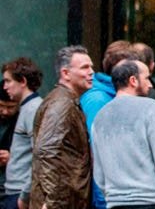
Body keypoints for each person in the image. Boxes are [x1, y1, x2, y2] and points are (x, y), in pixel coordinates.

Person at [90, 60, 155, 209]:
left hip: (116, 202)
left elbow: (98, 171)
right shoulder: (150, 107)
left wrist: (112, 195)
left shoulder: (100, 117)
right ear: (133, 80)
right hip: (150, 200)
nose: (150, 85)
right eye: (147, 78)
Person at [30, 45, 94, 209]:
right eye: (85, 67)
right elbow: (47, 150)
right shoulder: (62, 103)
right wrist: (53, 202)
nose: (91, 72)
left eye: (91, 67)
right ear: (65, 73)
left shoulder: (65, 100)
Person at [80, 41, 138, 209]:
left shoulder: (112, 95)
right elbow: (97, 151)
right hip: (106, 193)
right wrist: (103, 197)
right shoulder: (99, 99)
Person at [3, 58, 42, 209]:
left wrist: (25, 196)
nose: (5, 86)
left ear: (23, 81)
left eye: (8, 81)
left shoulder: (33, 109)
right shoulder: (27, 107)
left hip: (20, 193)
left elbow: (40, 155)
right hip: (16, 190)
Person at [129, 43, 155, 112]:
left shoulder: (118, 88)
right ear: (152, 65)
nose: (150, 85)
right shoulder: (154, 97)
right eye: (146, 78)